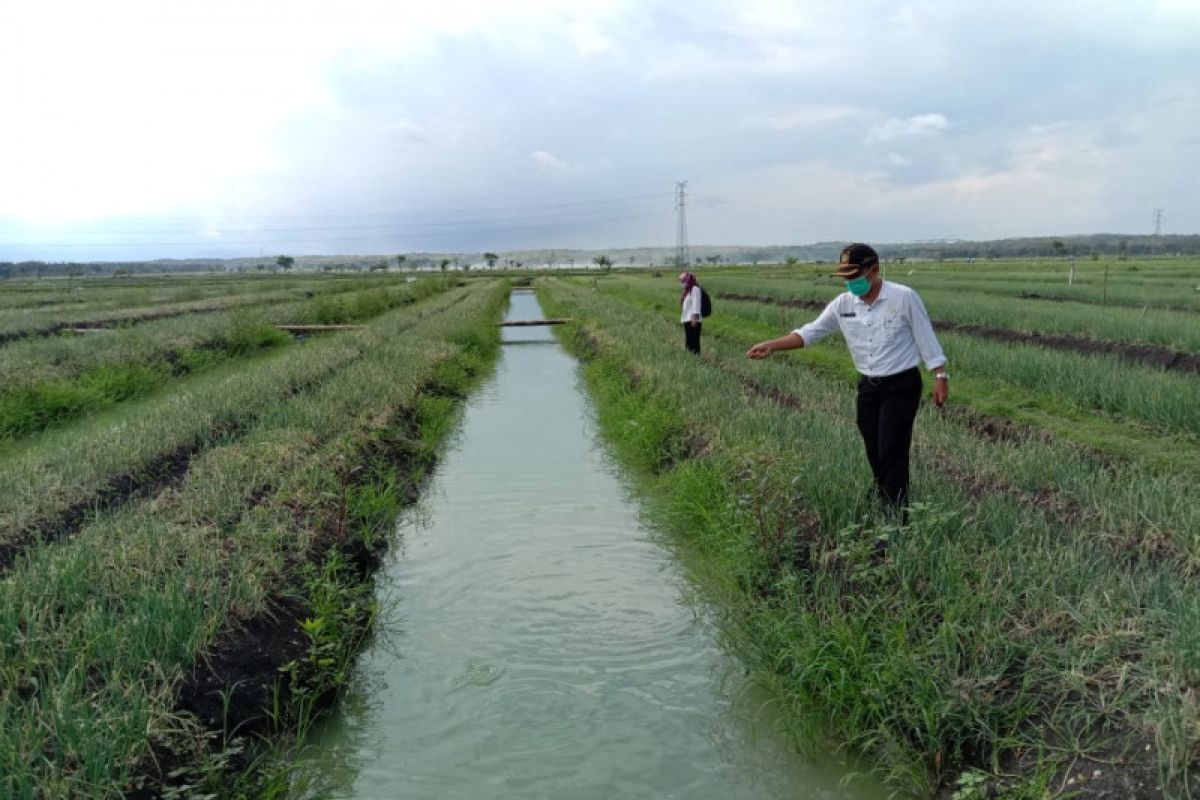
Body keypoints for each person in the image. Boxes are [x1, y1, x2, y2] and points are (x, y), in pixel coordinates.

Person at [746, 243, 948, 516]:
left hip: (901, 384)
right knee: (873, 445)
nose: (849, 283)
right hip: (868, 386)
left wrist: (940, 375)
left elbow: (926, 337)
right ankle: (883, 494)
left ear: (873, 270)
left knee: (892, 448)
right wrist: (772, 344)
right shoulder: (843, 304)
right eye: (845, 277)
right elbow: (810, 332)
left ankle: (897, 516)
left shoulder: (903, 297)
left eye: (854, 276)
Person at [679, 271, 703, 354]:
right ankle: (690, 358)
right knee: (689, 341)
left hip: (693, 319)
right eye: (682, 281)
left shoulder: (695, 289)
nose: (682, 283)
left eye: (683, 281)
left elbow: (696, 304)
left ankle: (696, 358)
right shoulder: (687, 290)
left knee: (694, 342)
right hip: (687, 319)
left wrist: (695, 318)